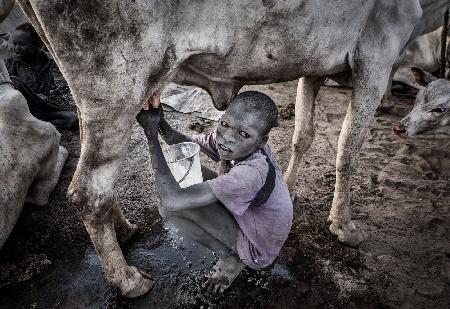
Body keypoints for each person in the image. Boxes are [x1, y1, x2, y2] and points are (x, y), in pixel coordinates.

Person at [136, 90, 293, 292]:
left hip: (258, 248)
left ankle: (232, 258)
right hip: (251, 216)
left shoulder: (250, 174)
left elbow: (170, 200)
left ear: (262, 141)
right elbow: (186, 144)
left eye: (243, 134)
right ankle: (230, 246)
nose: (227, 138)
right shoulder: (241, 146)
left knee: (169, 208)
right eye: (225, 124)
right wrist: (160, 123)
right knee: (186, 178)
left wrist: (151, 136)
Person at [6, 22, 78, 130]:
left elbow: (62, 83)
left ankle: (34, 128)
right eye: (15, 43)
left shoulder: (50, 62)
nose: (16, 48)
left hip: (47, 109)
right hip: (26, 110)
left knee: (73, 118)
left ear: (38, 44)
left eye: (21, 44)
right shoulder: (11, 65)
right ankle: (35, 127)